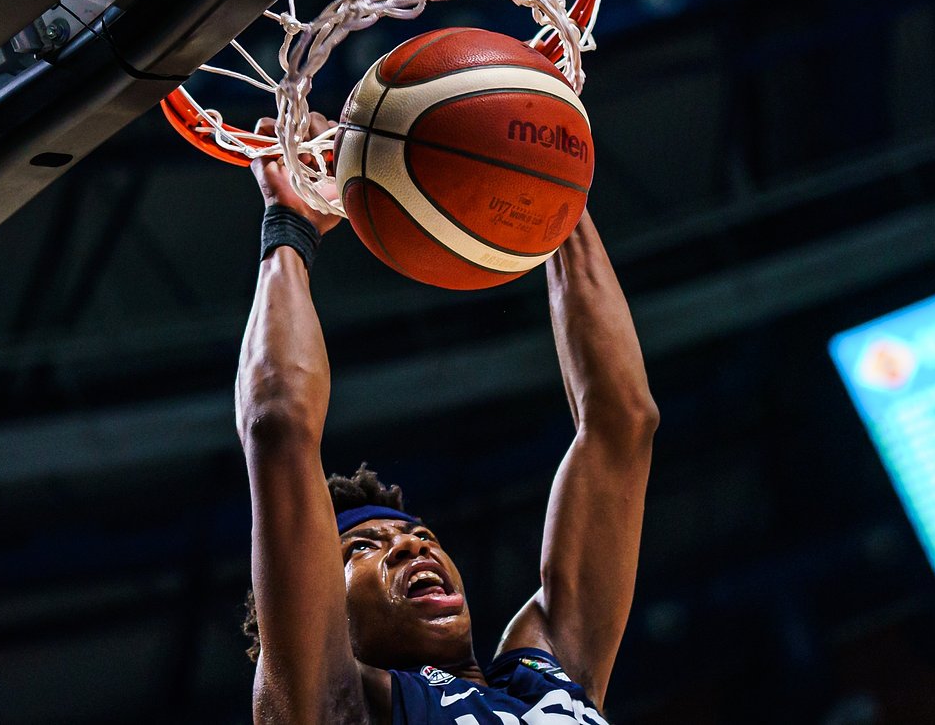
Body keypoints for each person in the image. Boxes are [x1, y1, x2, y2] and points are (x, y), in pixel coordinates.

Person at [234, 114, 658, 724]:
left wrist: (549, 182)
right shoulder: (338, 708)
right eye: (363, 548)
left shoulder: (546, 676)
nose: (409, 544)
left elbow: (623, 422)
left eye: (421, 537)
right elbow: (278, 429)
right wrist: (291, 228)